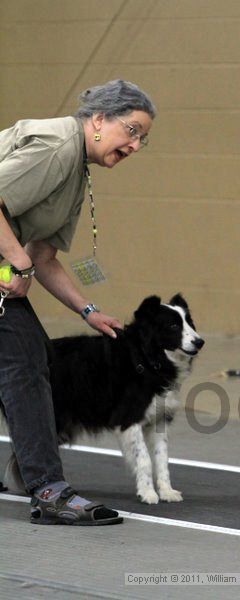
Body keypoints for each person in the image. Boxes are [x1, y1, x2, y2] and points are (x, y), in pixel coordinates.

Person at [0, 79, 156, 525]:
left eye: (144, 138)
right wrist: (15, 260)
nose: (136, 145)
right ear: (100, 120)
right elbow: (24, 257)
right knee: (26, 362)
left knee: (25, 359)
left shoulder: (76, 171)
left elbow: (43, 257)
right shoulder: (56, 149)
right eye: (132, 130)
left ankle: (46, 486)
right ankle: (48, 490)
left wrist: (87, 310)